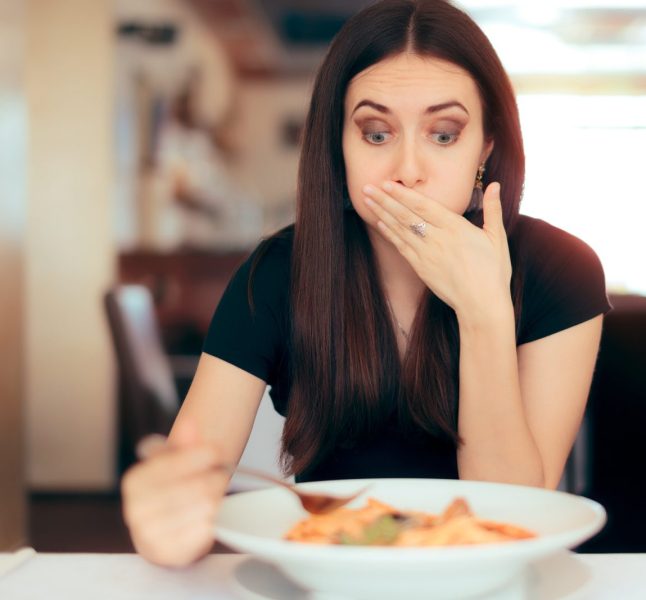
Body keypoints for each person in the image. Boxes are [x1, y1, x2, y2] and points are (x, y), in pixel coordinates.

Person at [121, 0, 611, 567]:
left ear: (487, 148)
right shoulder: (277, 273)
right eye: (376, 134)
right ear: (340, 147)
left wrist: (484, 314)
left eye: (444, 134)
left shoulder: (562, 270)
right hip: (327, 573)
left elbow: (517, 517)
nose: (407, 169)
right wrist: (167, 520)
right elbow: (189, 476)